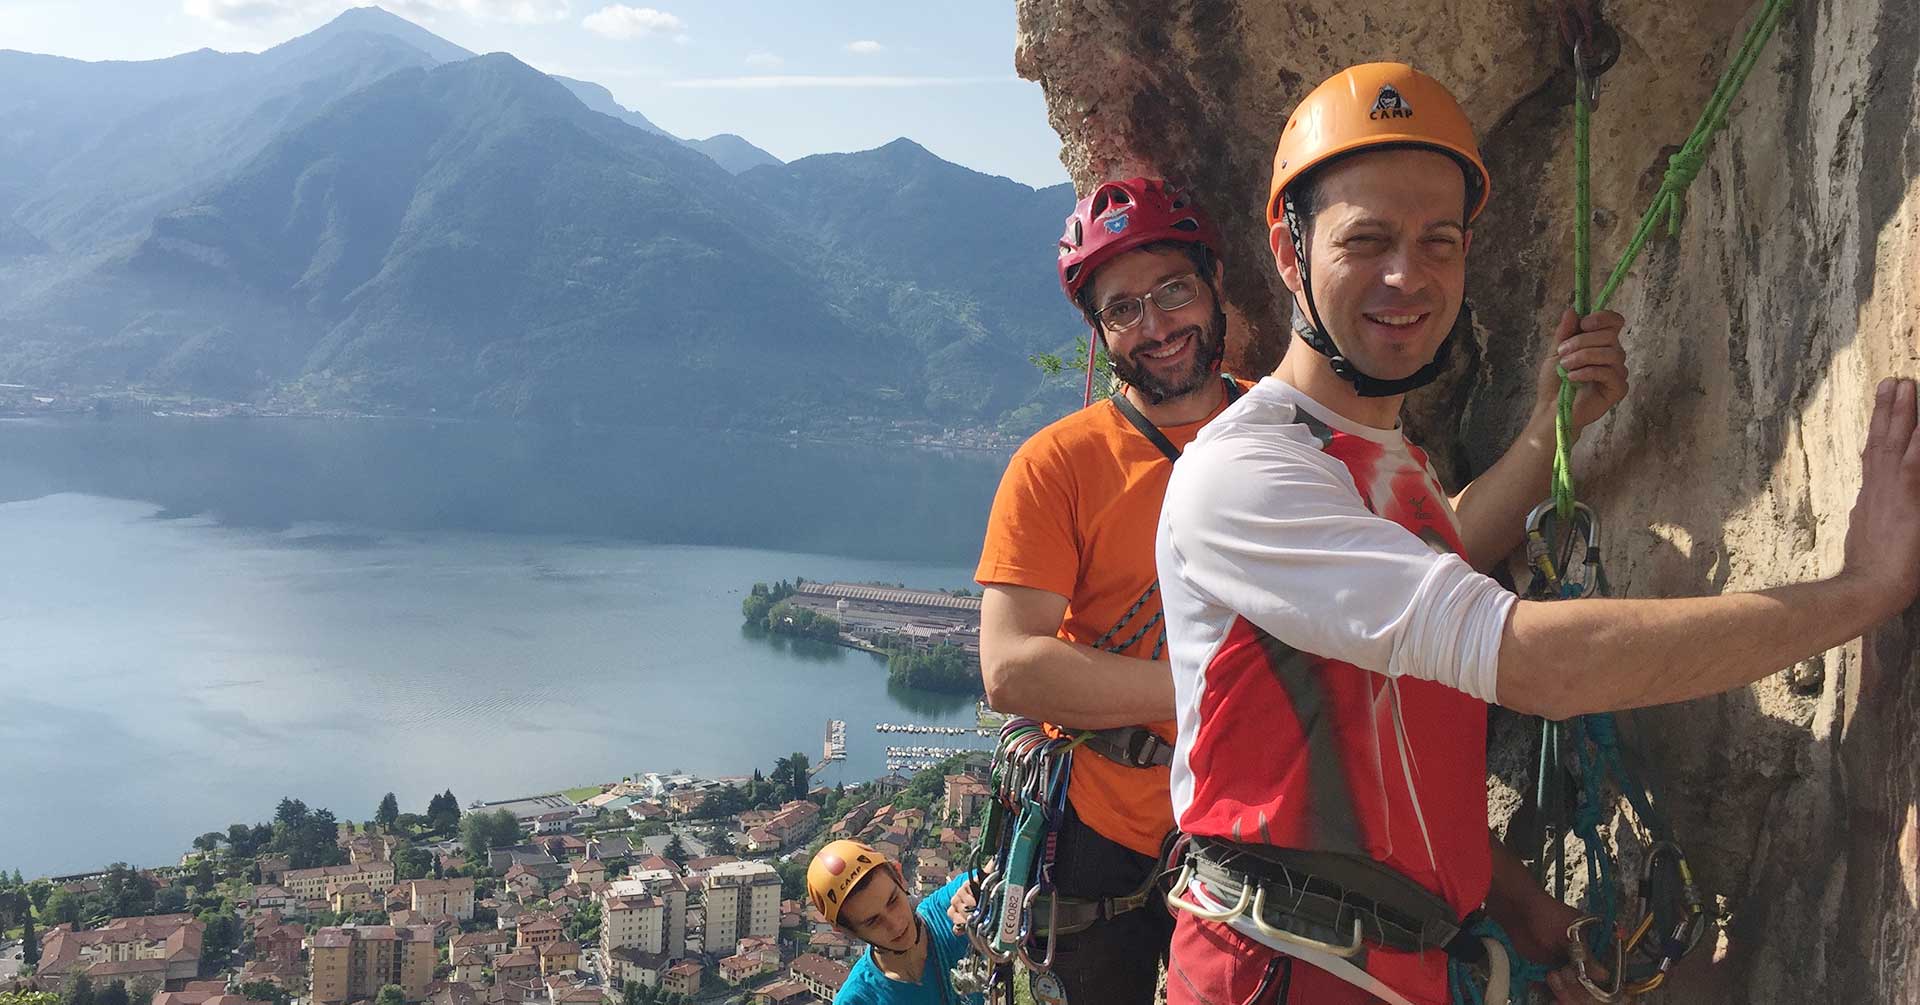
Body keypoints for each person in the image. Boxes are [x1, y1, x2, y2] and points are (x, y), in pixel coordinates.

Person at [1154, 61, 1920, 1005]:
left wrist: (1522, 909)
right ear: (1289, 246)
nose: (1409, 275)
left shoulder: (1396, 472)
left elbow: (1383, 743)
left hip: (1383, 963)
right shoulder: (1241, 474)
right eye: (1369, 239)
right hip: (1277, 973)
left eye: (1440, 240)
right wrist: (1860, 592)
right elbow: (1535, 663)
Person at [975, 176, 1243, 1002]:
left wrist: (1548, 431)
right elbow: (1011, 668)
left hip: (1254, 815)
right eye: (1123, 308)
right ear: (1099, 331)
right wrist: (1209, 687)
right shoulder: (1060, 464)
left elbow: (1425, 553)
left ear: (1213, 287)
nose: (1156, 325)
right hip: (1105, 829)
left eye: (1173, 290)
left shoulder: (1288, 431)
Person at [807, 839, 982, 1005]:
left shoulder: (951, 907)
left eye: (893, 901)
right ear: (846, 931)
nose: (895, 924)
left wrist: (985, 893)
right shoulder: (858, 1000)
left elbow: (1000, 875)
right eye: (873, 921)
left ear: (899, 877)